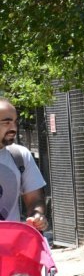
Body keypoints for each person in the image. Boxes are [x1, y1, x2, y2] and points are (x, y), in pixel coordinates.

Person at [0, 98, 49, 231]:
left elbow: (35, 199)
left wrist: (37, 216)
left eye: (15, 122)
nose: (14, 128)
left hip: (10, 247)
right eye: (7, 123)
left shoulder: (20, 155)